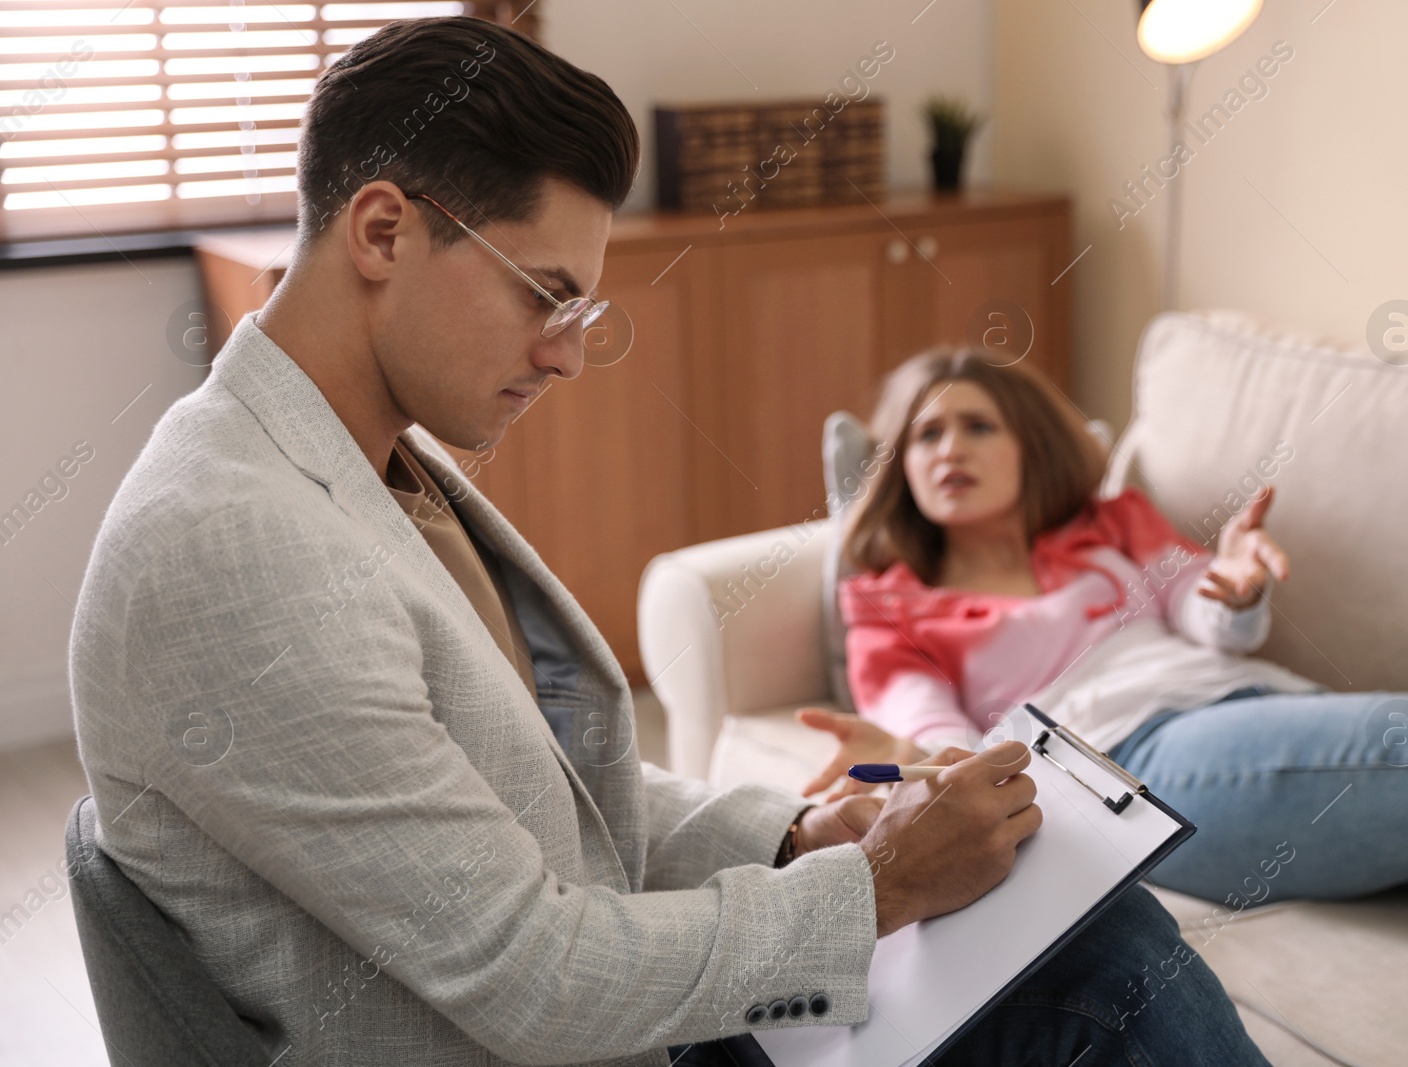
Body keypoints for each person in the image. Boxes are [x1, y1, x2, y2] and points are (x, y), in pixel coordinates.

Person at [67, 18, 1270, 1067]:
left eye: (580, 309)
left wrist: (801, 831)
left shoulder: (365, 454)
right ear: (382, 231)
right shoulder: (233, 542)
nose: (567, 352)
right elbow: (528, 970)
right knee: (1107, 972)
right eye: (543, 294)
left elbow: (519, 791)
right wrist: (880, 885)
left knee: (1072, 932)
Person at [799, 346, 1408, 955]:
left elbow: (1201, 606)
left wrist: (1236, 586)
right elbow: (948, 745)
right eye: (926, 433)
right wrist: (915, 755)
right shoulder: (889, 601)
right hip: (1136, 763)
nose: (949, 448)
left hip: (1269, 709)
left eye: (978, 425)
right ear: (900, 464)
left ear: (1029, 445)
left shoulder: (1111, 525)